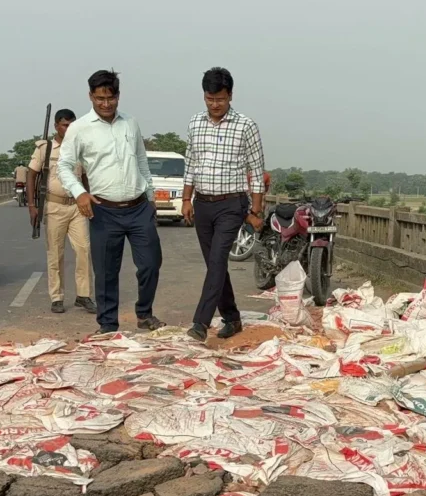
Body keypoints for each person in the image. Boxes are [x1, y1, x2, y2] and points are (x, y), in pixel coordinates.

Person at [57, 69, 166, 334]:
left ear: (118, 96)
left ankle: (144, 313)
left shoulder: (131, 123)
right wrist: (79, 192)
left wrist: (150, 197)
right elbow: (64, 165)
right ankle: (107, 325)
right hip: (104, 210)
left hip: (139, 207)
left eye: (110, 97)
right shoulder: (79, 129)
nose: (105, 104)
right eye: (99, 98)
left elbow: (141, 161)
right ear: (90, 96)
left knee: (151, 262)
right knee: (106, 271)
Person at [182, 67, 265, 342]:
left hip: (232, 204)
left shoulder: (246, 126)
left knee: (218, 260)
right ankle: (232, 317)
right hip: (203, 204)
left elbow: (257, 169)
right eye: (209, 99)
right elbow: (191, 164)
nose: (215, 105)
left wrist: (255, 211)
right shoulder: (195, 123)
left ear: (230, 95)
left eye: (220, 99)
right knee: (214, 265)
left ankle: (200, 323)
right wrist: (185, 199)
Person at [27, 109, 96, 315]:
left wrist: (89, 198)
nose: (69, 128)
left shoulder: (79, 148)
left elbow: (84, 177)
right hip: (54, 206)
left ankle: (83, 295)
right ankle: (56, 297)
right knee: (55, 253)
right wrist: (32, 206)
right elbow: (31, 175)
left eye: (72, 124)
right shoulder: (45, 149)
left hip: (76, 206)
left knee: (84, 249)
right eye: (66, 125)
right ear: (57, 125)